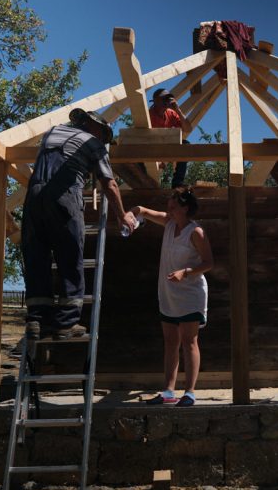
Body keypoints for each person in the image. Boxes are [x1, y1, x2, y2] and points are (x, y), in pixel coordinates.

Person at [22, 108, 136, 340]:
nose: (103, 140)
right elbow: (109, 184)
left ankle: (37, 320)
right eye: (104, 135)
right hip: (64, 197)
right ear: (96, 128)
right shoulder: (93, 143)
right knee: (70, 256)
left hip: (34, 197)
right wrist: (122, 214)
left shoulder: (52, 132)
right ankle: (65, 323)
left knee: (37, 257)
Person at [130, 187, 213, 406]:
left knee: (189, 341)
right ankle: (168, 391)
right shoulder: (168, 224)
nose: (169, 208)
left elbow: (208, 263)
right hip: (168, 294)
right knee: (170, 342)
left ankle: (190, 392)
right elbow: (144, 212)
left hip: (190, 294)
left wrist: (185, 272)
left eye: (174, 204)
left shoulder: (196, 232)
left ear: (185, 208)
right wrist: (132, 212)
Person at [149, 88, 192, 188]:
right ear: (155, 100)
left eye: (168, 98)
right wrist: (157, 160)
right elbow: (145, 139)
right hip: (150, 148)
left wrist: (178, 110)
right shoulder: (149, 116)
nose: (166, 101)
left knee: (185, 145)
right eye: (163, 98)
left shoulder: (171, 113)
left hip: (165, 147)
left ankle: (177, 183)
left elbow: (188, 129)